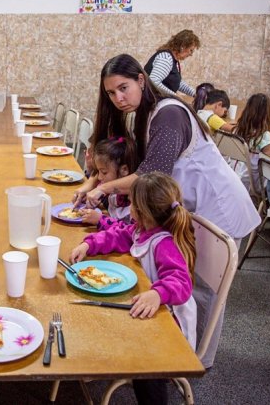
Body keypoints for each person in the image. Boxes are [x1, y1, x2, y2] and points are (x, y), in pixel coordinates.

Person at [74, 53, 260, 368]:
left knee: (206, 290)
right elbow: (131, 162)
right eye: (111, 93)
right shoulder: (145, 114)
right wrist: (94, 180)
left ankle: (196, 364)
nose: (118, 98)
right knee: (190, 283)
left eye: (123, 88)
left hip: (219, 208)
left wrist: (102, 188)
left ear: (141, 80)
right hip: (193, 208)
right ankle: (181, 350)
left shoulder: (169, 113)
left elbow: (150, 174)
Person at [70, 172, 197, 405]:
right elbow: (119, 235)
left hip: (169, 322)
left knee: (146, 366)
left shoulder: (164, 243)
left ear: (141, 211)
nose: (129, 208)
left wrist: (157, 293)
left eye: (131, 204)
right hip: (145, 307)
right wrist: (89, 245)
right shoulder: (141, 229)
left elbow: (181, 282)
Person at [78, 136, 138, 229]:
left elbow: (129, 232)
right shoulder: (108, 188)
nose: (99, 177)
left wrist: (100, 220)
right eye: (98, 171)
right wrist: (92, 202)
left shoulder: (136, 203)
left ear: (124, 170)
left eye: (104, 172)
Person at [232, 93, 270, 193]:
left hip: (236, 176)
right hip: (254, 184)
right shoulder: (264, 136)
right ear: (267, 114)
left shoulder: (237, 130)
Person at [144, 29, 200, 97]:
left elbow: (176, 82)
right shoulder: (166, 58)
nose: (191, 54)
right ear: (182, 47)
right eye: (191, 50)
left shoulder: (174, 60)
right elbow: (153, 82)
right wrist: (175, 96)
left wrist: (194, 93)